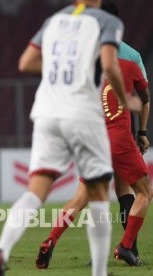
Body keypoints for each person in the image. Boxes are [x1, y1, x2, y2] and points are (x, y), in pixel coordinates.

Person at [0, 1, 142, 276]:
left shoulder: (55, 20)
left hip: (46, 112)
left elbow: (26, 63)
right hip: (82, 114)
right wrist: (126, 98)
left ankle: (1, 251)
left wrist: (61, 69)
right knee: (96, 196)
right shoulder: (106, 22)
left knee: (35, 191)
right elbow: (109, 63)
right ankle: (100, 271)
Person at [35, 1, 152, 268]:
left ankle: (51, 240)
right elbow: (144, 98)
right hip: (119, 134)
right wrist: (142, 132)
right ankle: (127, 247)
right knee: (139, 191)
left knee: (84, 196)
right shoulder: (131, 57)